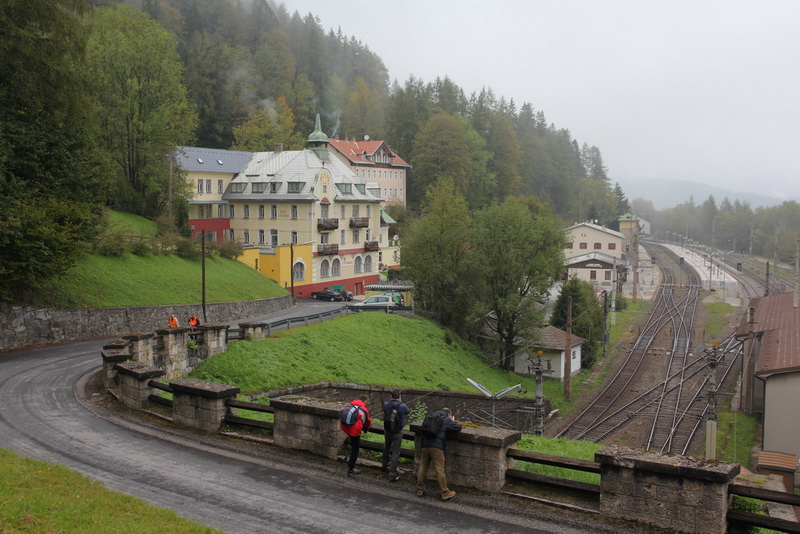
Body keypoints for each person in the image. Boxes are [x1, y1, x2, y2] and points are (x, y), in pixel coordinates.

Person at [416, 407, 461, 501]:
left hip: (425, 445)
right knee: (439, 469)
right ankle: (445, 492)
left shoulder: (431, 417)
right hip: (436, 447)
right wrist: (452, 420)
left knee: (423, 467)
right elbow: (458, 428)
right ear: (448, 414)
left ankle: (420, 490)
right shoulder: (446, 419)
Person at [381, 388, 410, 482]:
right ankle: (392, 474)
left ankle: (384, 464)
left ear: (390, 396)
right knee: (395, 452)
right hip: (397, 432)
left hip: (387, 430)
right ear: (399, 397)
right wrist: (401, 402)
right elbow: (407, 411)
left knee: (386, 447)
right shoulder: (402, 406)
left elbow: (385, 410)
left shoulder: (386, 404)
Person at [340, 395, 371, 476]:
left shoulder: (351, 405)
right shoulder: (364, 409)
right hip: (354, 430)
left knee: (353, 443)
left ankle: (350, 464)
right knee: (355, 449)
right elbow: (368, 422)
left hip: (345, 426)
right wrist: (365, 429)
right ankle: (351, 469)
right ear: (365, 401)